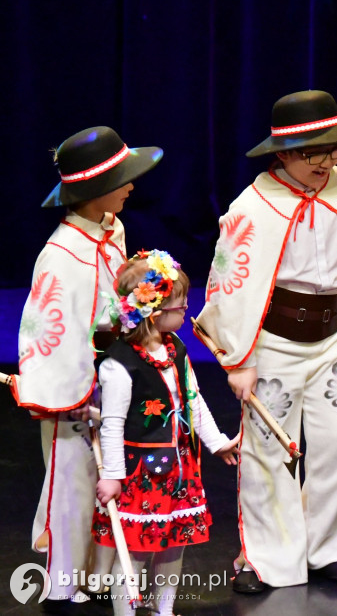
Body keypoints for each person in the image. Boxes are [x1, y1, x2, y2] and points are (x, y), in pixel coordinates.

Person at [195, 89, 337, 593]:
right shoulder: (254, 205)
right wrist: (238, 359)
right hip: (272, 343)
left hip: (334, 340)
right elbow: (231, 285)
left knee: (335, 447)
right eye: (313, 152)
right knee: (268, 452)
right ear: (284, 153)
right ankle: (269, 559)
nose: (327, 161)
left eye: (334, 149)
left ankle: (330, 548)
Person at [13, 126, 162, 613]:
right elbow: (46, 330)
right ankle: (61, 587)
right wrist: (79, 390)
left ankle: (97, 577)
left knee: (108, 480)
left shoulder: (111, 229)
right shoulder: (61, 257)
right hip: (77, 386)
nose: (132, 186)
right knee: (71, 485)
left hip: (111, 379)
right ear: (96, 192)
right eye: (123, 179)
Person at [94, 250, 239, 615]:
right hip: (140, 473)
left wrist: (217, 443)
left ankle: (164, 609)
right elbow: (110, 425)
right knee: (137, 551)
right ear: (154, 312)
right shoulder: (119, 364)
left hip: (178, 468)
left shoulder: (176, 349)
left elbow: (192, 399)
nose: (187, 310)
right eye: (181, 305)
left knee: (174, 545)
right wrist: (112, 475)